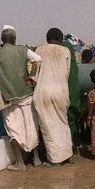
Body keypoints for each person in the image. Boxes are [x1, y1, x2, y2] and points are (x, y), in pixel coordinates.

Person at [0, 28, 42, 171]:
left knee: (13, 129)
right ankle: (36, 158)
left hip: (8, 96)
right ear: (14, 39)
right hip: (26, 93)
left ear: (2, 40)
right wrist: (32, 77)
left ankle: (20, 163)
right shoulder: (23, 50)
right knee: (31, 125)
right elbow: (38, 59)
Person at [34, 28, 73, 166]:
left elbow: (35, 72)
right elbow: (66, 73)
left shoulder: (39, 50)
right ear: (61, 39)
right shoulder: (65, 51)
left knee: (49, 126)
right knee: (63, 122)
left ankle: (55, 159)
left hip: (43, 91)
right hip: (61, 90)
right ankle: (68, 154)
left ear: (47, 38)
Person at [62, 39, 82, 155]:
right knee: (73, 121)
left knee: (70, 121)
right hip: (74, 96)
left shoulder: (67, 68)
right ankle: (76, 146)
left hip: (69, 95)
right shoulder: (74, 66)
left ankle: (73, 147)